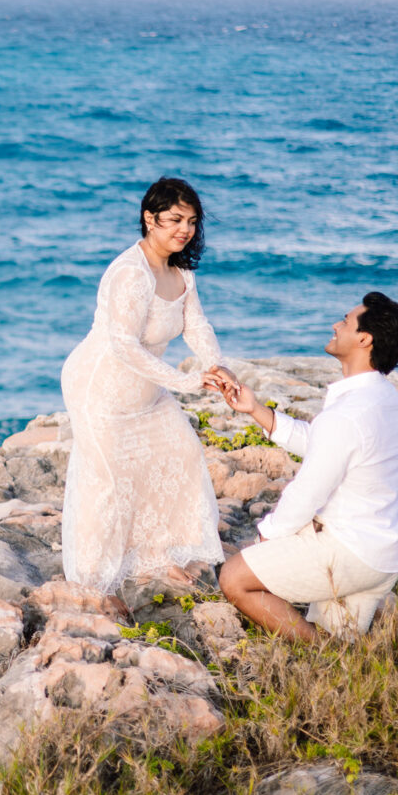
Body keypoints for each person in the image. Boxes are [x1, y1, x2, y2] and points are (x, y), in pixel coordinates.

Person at [61, 178, 233, 597]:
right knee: (108, 483)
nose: (184, 229)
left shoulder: (181, 271)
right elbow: (124, 346)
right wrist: (189, 381)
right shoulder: (130, 273)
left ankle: (159, 557)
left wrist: (216, 365)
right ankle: (93, 581)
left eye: (192, 221)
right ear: (149, 218)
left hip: (147, 390)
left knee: (182, 455)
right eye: (175, 219)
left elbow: (196, 324)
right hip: (100, 389)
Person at [216, 292, 398, 641]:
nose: (335, 325)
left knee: (233, 578)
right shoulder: (385, 397)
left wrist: (269, 534)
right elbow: (320, 443)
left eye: (345, 321)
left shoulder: (347, 413)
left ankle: (318, 648)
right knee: (343, 642)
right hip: (384, 554)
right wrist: (255, 409)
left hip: (349, 552)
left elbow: (307, 492)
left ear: (364, 339)